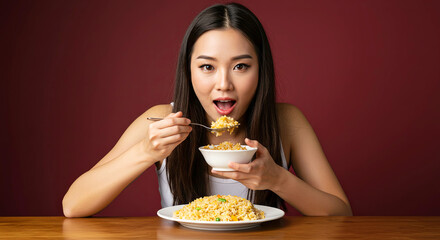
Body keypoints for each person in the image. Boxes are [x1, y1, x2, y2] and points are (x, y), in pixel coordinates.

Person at [62, 3, 352, 217]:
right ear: (189, 72)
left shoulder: (286, 122)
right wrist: (145, 152)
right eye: (207, 67)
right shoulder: (163, 120)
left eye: (241, 66)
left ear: (261, 70)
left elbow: (341, 215)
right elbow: (73, 205)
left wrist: (277, 179)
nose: (224, 84)